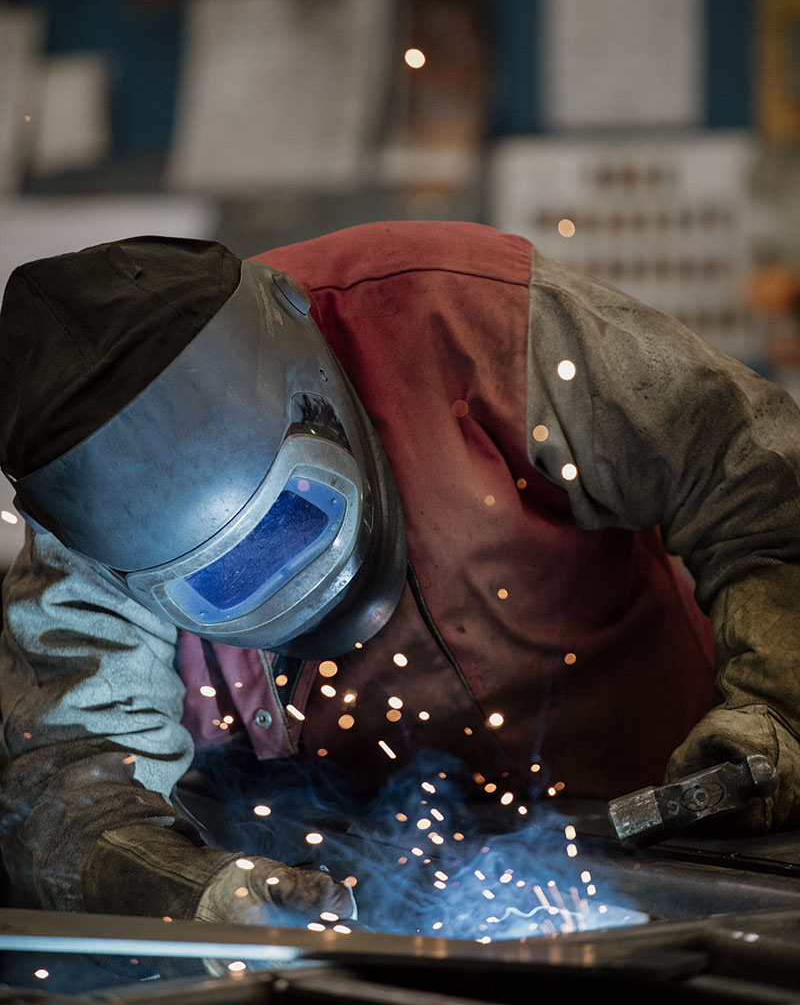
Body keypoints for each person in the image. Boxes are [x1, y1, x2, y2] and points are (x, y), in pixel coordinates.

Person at [0, 220, 799, 933]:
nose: (287, 578)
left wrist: (777, 706)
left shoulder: (467, 317)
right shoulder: (89, 531)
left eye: (292, 516)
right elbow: (74, 786)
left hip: (686, 828)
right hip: (367, 893)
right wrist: (197, 893)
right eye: (224, 574)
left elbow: (757, 473)